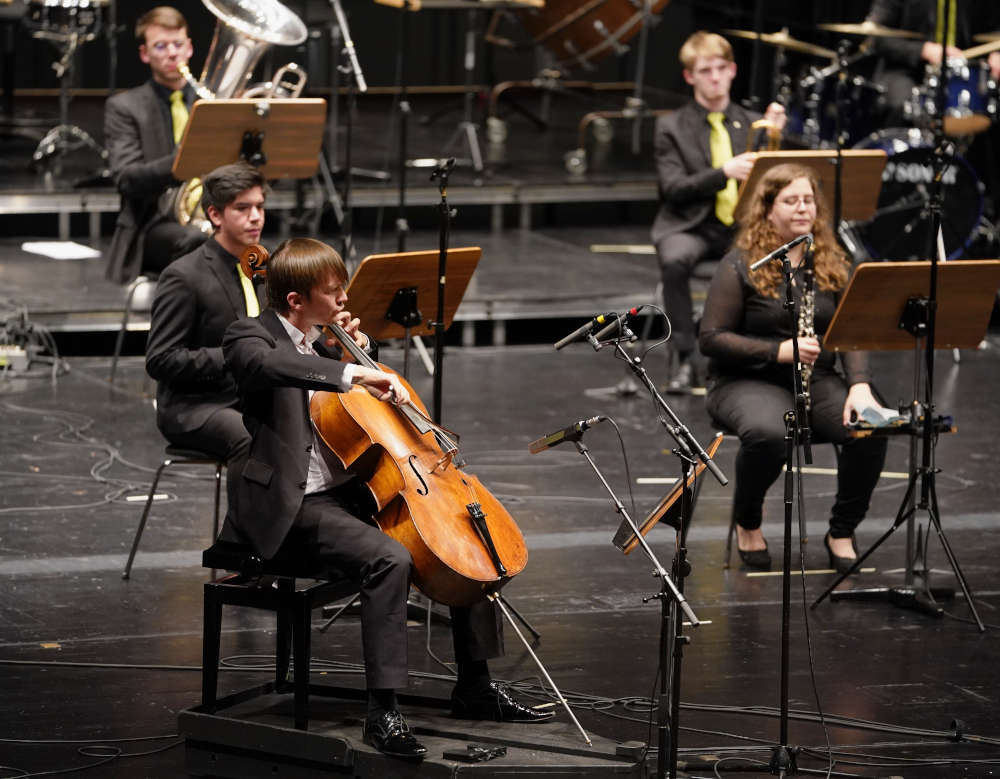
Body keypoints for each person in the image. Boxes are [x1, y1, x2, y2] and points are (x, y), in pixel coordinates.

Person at [221, 238, 553, 759]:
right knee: (389, 558)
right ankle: (383, 712)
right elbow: (272, 369)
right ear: (294, 301)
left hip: (350, 494)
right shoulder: (250, 337)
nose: (343, 301)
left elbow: (360, 426)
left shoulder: (323, 340)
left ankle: (475, 685)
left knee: (466, 539)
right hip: (295, 506)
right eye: (333, 293)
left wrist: (357, 353)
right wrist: (351, 371)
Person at [698, 163, 888, 572]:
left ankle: (842, 530)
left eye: (808, 200)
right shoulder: (740, 262)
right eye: (791, 200)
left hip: (814, 377)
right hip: (746, 378)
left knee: (868, 425)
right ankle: (748, 520)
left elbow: (850, 330)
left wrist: (859, 384)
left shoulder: (832, 260)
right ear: (767, 209)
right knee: (769, 432)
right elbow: (711, 338)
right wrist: (777, 351)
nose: (803, 208)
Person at [651, 31, 786, 392]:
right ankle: (685, 357)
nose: (714, 77)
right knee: (675, 260)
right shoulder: (671, 127)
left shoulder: (753, 123)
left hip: (739, 227)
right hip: (690, 225)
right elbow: (673, 189)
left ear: (732, 71)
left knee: (775, 257)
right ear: (689, 76)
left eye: (720, 68)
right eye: (705, 70)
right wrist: (724, 172)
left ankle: (755, 354)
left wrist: (774, 139)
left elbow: (773, 185)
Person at [144, 162, 267, 468]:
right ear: (215, 215)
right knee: (249, 438)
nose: (256, 217)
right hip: (195, 406)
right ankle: (246, 518)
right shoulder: (184, 276)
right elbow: (160, 359)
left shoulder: (264, 265)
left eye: (260, 207)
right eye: (243, 208)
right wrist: (235, 356)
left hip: (252, 397)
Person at [104, 6, 206, 283]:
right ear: (145, 54)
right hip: (154, 223)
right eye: (160, 46)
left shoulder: (212, 103)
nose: (172, 53)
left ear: (190, 48)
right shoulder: (125, 107)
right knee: (196, 241)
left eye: (178, 44)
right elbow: (127, 179)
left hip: (213, 213)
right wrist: (183, 161)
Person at [865, 0, 1000, 124]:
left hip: (964, 72)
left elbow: (994, 30)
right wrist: (924, 50)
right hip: (906, 69)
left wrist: (996, 53)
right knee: (904, 106)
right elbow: (876, 37)